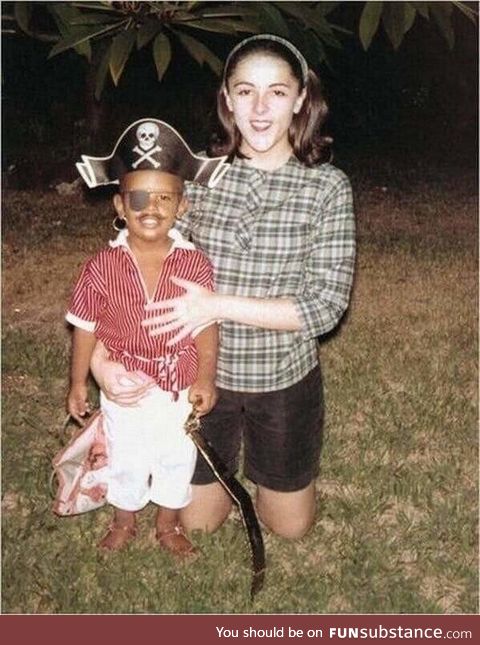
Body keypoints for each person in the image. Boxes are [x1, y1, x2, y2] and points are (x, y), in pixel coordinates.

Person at [93, 35, 356, 540]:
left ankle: (277, 473)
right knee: (198, 521)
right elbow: (127, 275)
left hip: (282, 378)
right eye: (245, 91)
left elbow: (324, 308)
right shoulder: (196, 181)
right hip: (196, 379)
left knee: (290, 529)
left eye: (277, 93)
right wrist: (104, 359)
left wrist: (214, 304)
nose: (259, 109)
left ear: (301, 100)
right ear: (227, 98)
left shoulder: (327, 187)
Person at [66, 119, 229, 554]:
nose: (151, 208)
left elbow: (206, 326)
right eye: (139, 198)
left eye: (164, 198)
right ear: (120, 205)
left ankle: (168, 525)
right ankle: (124, 521)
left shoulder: (196, 264)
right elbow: (84, 325)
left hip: (179, 386)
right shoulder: (100, 266)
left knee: (177, 456)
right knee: (128, 455)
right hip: (125, 387)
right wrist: (79, 381)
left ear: (182, 206)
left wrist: (206, 378)